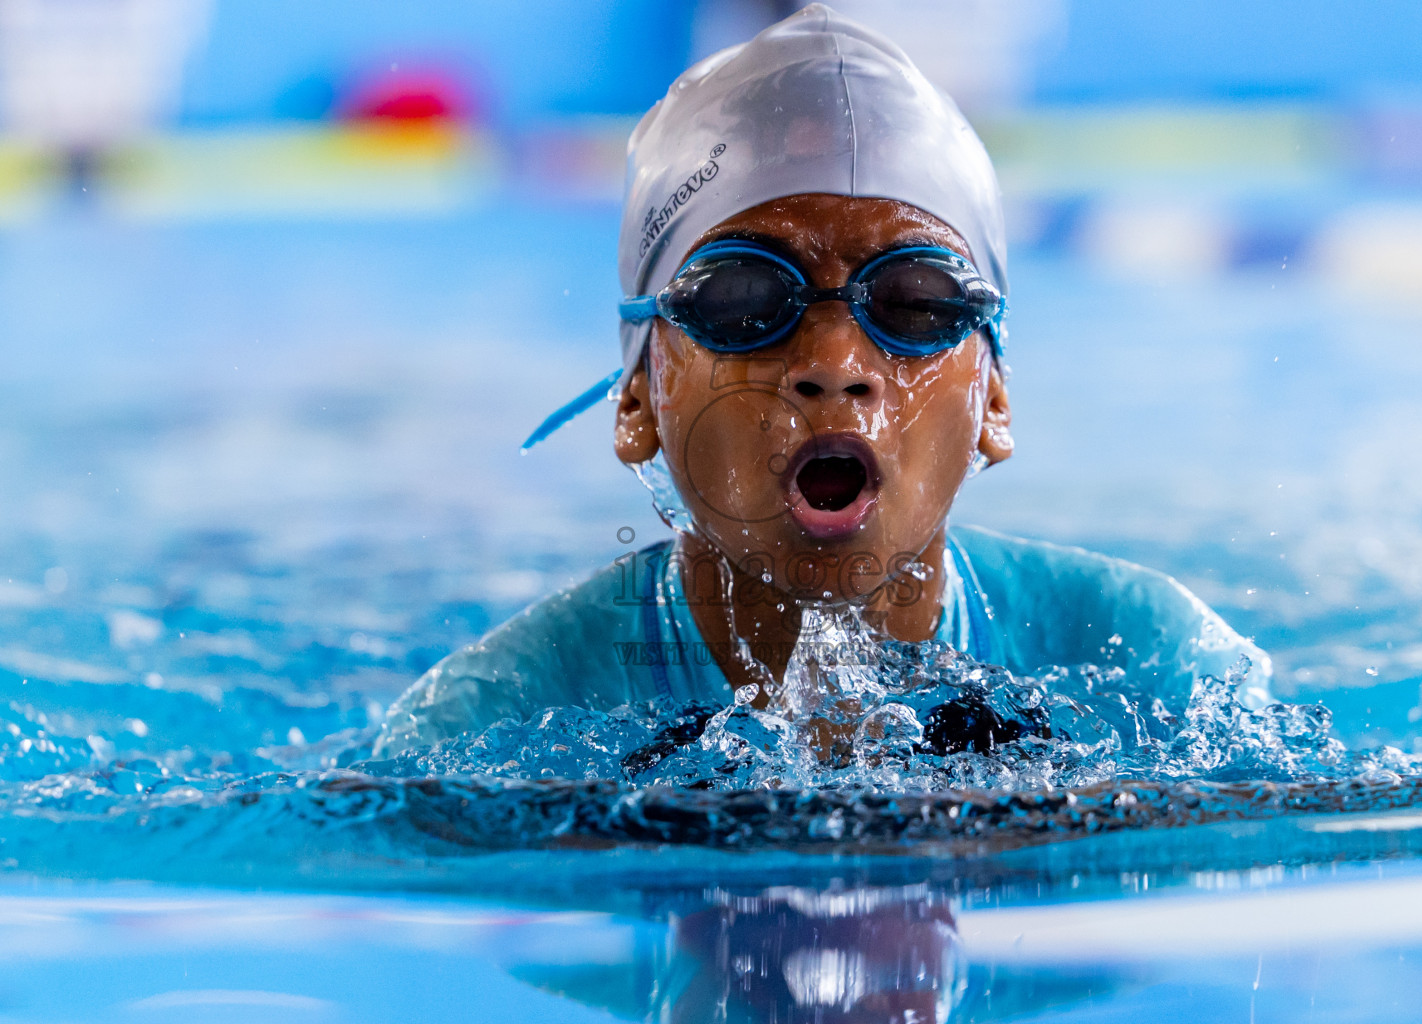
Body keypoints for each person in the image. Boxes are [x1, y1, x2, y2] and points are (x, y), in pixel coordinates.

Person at [374, 4, 1270, 757]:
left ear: (995, 398)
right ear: (638, 397)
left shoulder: (1159, 666)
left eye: (917, 304)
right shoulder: (490, 726)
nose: (836, 368)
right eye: (742, 300)